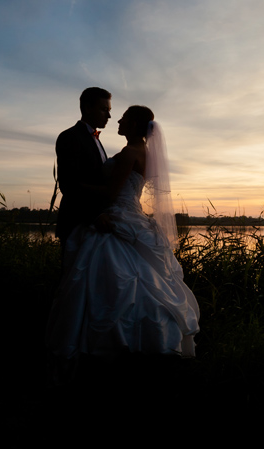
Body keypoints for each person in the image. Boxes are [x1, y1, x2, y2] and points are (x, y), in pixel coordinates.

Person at [46, 105, 200, 359]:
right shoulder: (145, 152)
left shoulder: (130, 153)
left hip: (118, 215)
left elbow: (110, 192)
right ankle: (147, 340)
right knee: (143, 280)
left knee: (110, 278)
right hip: (133, 214)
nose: (117, 120)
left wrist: (76, 185)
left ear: (134, 125)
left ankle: (110, 343)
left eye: (124, 118)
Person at [55, 88, 112, 266]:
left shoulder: (95, 139)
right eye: (104, 110)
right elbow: (68, 184)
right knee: (73, 280)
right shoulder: (69, 137)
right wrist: (95, 216)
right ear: (87, 108)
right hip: (77, 222)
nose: (109, 116)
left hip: (97, 225)